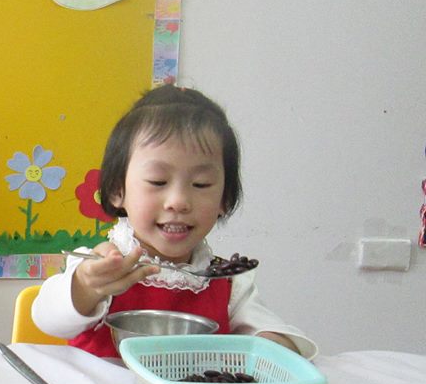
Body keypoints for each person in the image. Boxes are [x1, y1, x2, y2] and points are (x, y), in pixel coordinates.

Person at [32, 84, 316, 360]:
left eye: (201, 184)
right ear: (118, 190)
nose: (178, 201)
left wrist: (273, 345)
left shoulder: (228, 284)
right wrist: (85, 287)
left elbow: (276, 335)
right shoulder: (100, 266)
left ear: (225, 199)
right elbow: (47, 320)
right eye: (158, 181)